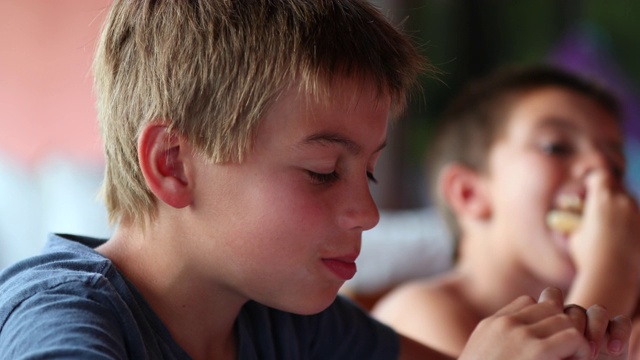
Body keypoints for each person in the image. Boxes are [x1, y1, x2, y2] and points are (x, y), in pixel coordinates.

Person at [0, 2, 629, 358]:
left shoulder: (288, 322)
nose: (368, 212)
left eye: (371, 170)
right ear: (173, 163)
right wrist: (612, 273)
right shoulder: (63, 320)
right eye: (323, 172)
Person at [372, 64, 640, 358]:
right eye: (556, 147)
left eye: (616, 166)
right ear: (469, 194)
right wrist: (612, 270)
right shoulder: (421, 310)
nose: (601, 171)